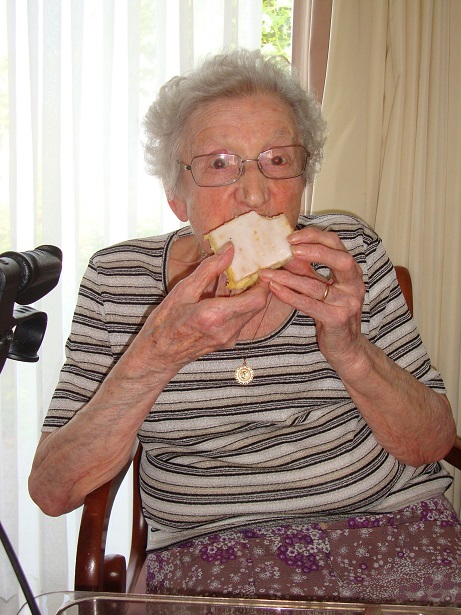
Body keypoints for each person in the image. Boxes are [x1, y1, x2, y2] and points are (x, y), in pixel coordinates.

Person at [29, 49, 460, 605]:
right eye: (219, 163)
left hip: (389, 537)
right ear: (176, 196)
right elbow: (54, 490)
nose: (255, 194)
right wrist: (156, 354)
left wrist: (351, 350)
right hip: (207, 564)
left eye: (277, 160)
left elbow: (432, 442)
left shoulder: (347, 253)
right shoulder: (120, 279)